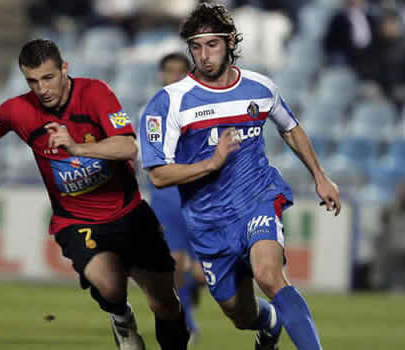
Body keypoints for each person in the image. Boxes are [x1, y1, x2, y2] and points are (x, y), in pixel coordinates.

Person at [139, 3, 341, 350]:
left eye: (212, 45)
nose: (203, 55)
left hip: (256, 198)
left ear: (230, 41)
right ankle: (270, 323)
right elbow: (158, 176)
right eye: (196, 47)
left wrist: (320, 176)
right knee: (240, 314)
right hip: (208, 222)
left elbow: (290, 129)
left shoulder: (260, 88)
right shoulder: (169, 103)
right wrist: (210, 164)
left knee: (269, 275)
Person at [0, 39, 190, 350]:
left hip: (129, 214)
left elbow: (127, 146)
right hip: (76, 220)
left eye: (48, 78)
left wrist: (78, 148)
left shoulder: (95, 93)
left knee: (164, 304)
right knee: (110, 284)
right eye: (32, 81)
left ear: (64, 69)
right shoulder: (20, 110)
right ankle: (121, 318)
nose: (42, 89)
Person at [146, 52, 205, 341]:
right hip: (167, 194)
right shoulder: (153, 111)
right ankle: (187, 324)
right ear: (161, 75)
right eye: (169, 71)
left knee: (202, 274)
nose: (174, 76)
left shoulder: (203, 108)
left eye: (180, 71)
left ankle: (191, 293)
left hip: (200, 193)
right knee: (173, 263)